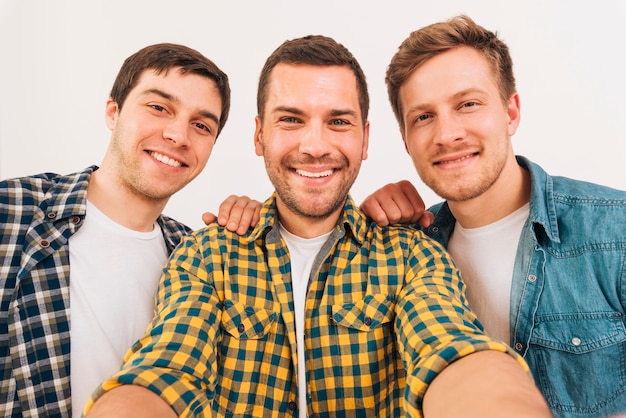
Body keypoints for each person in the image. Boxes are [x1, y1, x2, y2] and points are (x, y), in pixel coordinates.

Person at [84, 34, 551, 418]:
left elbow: (450, 350)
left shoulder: (413, 254)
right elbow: (165, 372)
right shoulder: (205, 255)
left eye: (338, 122)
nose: (315, 145)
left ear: (365, 139)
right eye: (291, 120)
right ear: (259, 135)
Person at [358, 15, 626, 418]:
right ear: (406, 141)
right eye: (423, 117)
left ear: (510, 111)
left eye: (468, 104)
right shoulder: (405, 247)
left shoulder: (615, 231)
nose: (447, 134)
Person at [0, 43, 259, 417]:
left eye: (201, 125)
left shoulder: (199, 256)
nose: (178, 135)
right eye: (159, 108)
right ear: (113, 111)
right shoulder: (13, 212)